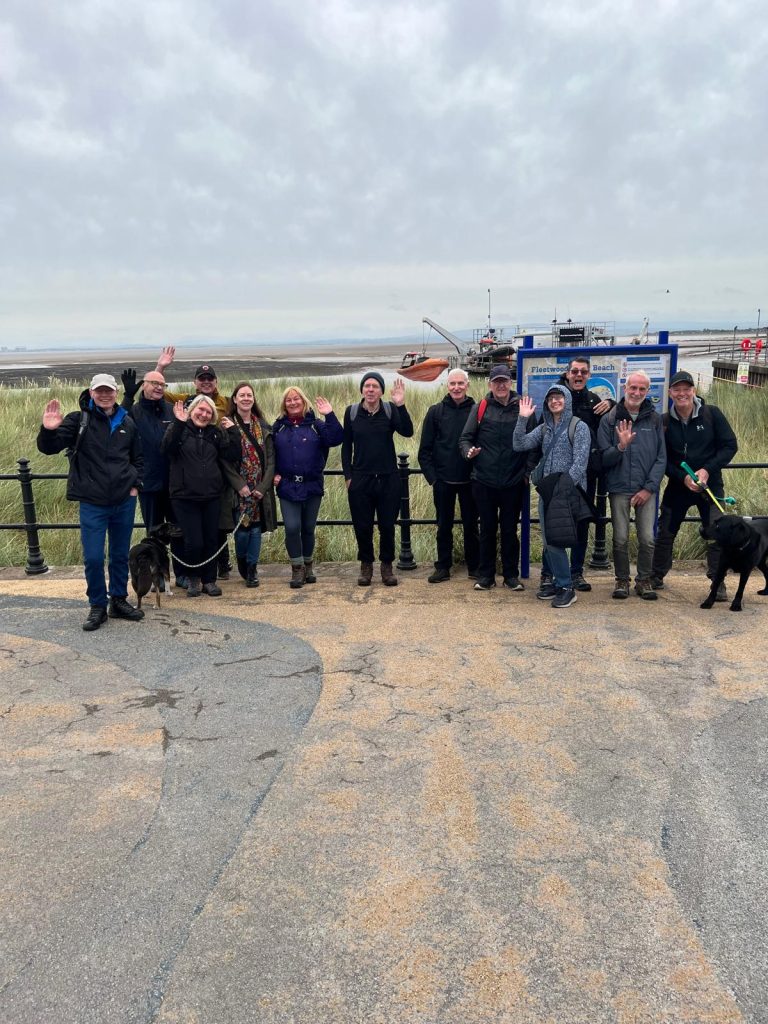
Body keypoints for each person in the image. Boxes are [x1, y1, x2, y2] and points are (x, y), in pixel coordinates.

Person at [37, 373, 144, 631]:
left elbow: (138, 459)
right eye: (100, 391)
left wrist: (135, 486)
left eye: (109, 390)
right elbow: (49, 447)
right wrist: (48, 430)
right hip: (92, 502)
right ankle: (97, 605)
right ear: (91, 392)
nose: (105, 395)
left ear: (116, 392)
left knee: (119, 554)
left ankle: (118, 599)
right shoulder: (78, 420)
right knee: (94, 557)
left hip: (123, 500)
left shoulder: (127, 421)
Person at [650, 370, 738, 599]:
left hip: (711, 486)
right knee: (665, 532)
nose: (682, 393)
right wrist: (683, 477)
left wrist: (707, 470)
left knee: (718, 533)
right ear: (670, 393)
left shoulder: (712, 414)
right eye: (677, 389)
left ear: (693, 391)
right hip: (679, 487)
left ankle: (717, 582)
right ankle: (656, 575)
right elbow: (661, 458)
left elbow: (730, 445)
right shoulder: (664, 421)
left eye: (686, 389)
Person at [153, 347, 232, 577]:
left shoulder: (227, 402)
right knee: (193, 538)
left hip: (216, 476)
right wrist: (160, 367)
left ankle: (217, 571)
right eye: (202, 379)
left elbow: (246, 414)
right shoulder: (185, 400)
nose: (206, 382)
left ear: (216, 382)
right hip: (187, 482)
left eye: (210, 379)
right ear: (195, 382)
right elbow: (156, 392)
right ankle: (194, 577)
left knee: (216, 532)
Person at [513, 384, 592, 609]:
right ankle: (558, 583)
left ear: (567, 400)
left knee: (556, 539)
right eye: (551, 399)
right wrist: (522, 418)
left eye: (559, 397)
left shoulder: (579, 427)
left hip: (567, 493)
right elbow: (519, 444)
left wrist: (563, 489)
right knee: (550, 539)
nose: (555, 401)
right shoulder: (545, 428)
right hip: (549, 493)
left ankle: (566, 587)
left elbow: (580, 463)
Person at [458, 364, 533, 591]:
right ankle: (486, 576)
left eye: (505, 381)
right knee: (487, 530)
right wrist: (468, 452)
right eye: (497, 381)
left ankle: (511, 576)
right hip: (484, 481)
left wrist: (527, 472)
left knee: (510, 531)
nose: (501, 385)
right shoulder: (481, 407)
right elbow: (465, 439)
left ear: (511, 383)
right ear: (490, 384)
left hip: (513, 481)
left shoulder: (523, 407)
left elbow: (534, 443)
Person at [160, 395, 240, 598]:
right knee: (193, 541)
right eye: (200, 410)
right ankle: (194, 578)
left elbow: (232, 455)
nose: (204, 415)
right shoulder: (179, 429)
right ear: (192, 410)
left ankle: (209, 580)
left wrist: (233, 431)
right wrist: (179, 422)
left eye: (208, 412)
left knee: (211, 540)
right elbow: (167, 448)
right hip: (184, 496)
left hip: (212, 495)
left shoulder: (215, 433)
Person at [597, 372, 666, 600]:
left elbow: (661, 458)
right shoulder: (609, 419)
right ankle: (622, 580)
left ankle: (644, 580)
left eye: (642, 389)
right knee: (620, 538)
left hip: (647, 489)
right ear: (625, 388)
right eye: (633, 387)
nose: (636, 392)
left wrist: (649, 488)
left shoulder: (655, 419)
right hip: (619, 487)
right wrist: (621, 447)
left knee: (647, 538)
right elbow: (603, 458)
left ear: (647, 391)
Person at [342, 372, 413, 587]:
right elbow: (346, 447)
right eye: (367, 386)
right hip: (360, 479)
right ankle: (366, 565)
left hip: (388, 478)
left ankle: (387, 566)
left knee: (387, 526)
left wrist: (400, 404)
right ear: (362, 390)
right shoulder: (352, 412)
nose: (370, 390)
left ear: (382, 391)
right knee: (362, 526)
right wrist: (348, 477)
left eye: (375, 386)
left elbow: (407, 432)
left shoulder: (390, 410)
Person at [272, 386, 343, 588]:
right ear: (284, 404)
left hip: (312, 485)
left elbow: (336, 438)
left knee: (308, 528)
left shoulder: (316, 425)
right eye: (289, 400)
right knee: (292, 527)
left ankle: (308, 565)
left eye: (297, 399)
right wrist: (274, 473)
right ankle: (297, 568)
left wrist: (329, 415)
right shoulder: (278, 427)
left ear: (303, 401)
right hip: (287, 485)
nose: (293, 402)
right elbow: (270, 453)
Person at [555, 356, 613, 592]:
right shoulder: (556, 398)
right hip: (559, 474)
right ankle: (552, 573)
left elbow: (608, 428)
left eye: (583, 372)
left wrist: (613, 404)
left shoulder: (594, 401)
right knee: (556, 523)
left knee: (581, 523)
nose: (579, 375)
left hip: (586, 474)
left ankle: (576, 571)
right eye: (575, 371)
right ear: (567, 374)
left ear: (588, 375)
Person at [418, 369, 479, 583]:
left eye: (460, 383)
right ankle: (443, 566)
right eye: (453, 383)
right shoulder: (435, 412)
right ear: (447, 385)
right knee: (443, 526)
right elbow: (424, 450)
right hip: (443, 480)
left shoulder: (477, 410)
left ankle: (474, 566)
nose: (456, 387)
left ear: (467, 385)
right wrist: (433, 479)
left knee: (472, 526)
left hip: (471, 480)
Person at [226, 381, 277, 588]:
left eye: (249, 395)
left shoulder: (263, 426)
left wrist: (263, 487)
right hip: (238, 491)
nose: (246, 398)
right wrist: (240, 485)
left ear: (253, 399)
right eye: (242, 395)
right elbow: (224, 460)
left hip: (259, 490)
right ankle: (242, 561)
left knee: (256, 530)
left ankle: (252, 568)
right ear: (235, 399)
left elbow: (271, 460)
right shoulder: (226, 425)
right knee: (242, 531)